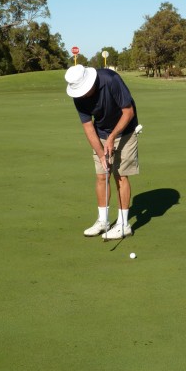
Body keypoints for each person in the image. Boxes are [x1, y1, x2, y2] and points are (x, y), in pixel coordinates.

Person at [64, 64, 140, 240]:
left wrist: (113, 137)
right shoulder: (78, 97)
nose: (81, 95)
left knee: (120, 175)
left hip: (125, 129)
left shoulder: (111, 80)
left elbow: (128, 112)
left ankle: (123, 224)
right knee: (101, 174)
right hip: (101, 132)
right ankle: (103, 221)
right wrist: (100, 154)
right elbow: (88, 127)